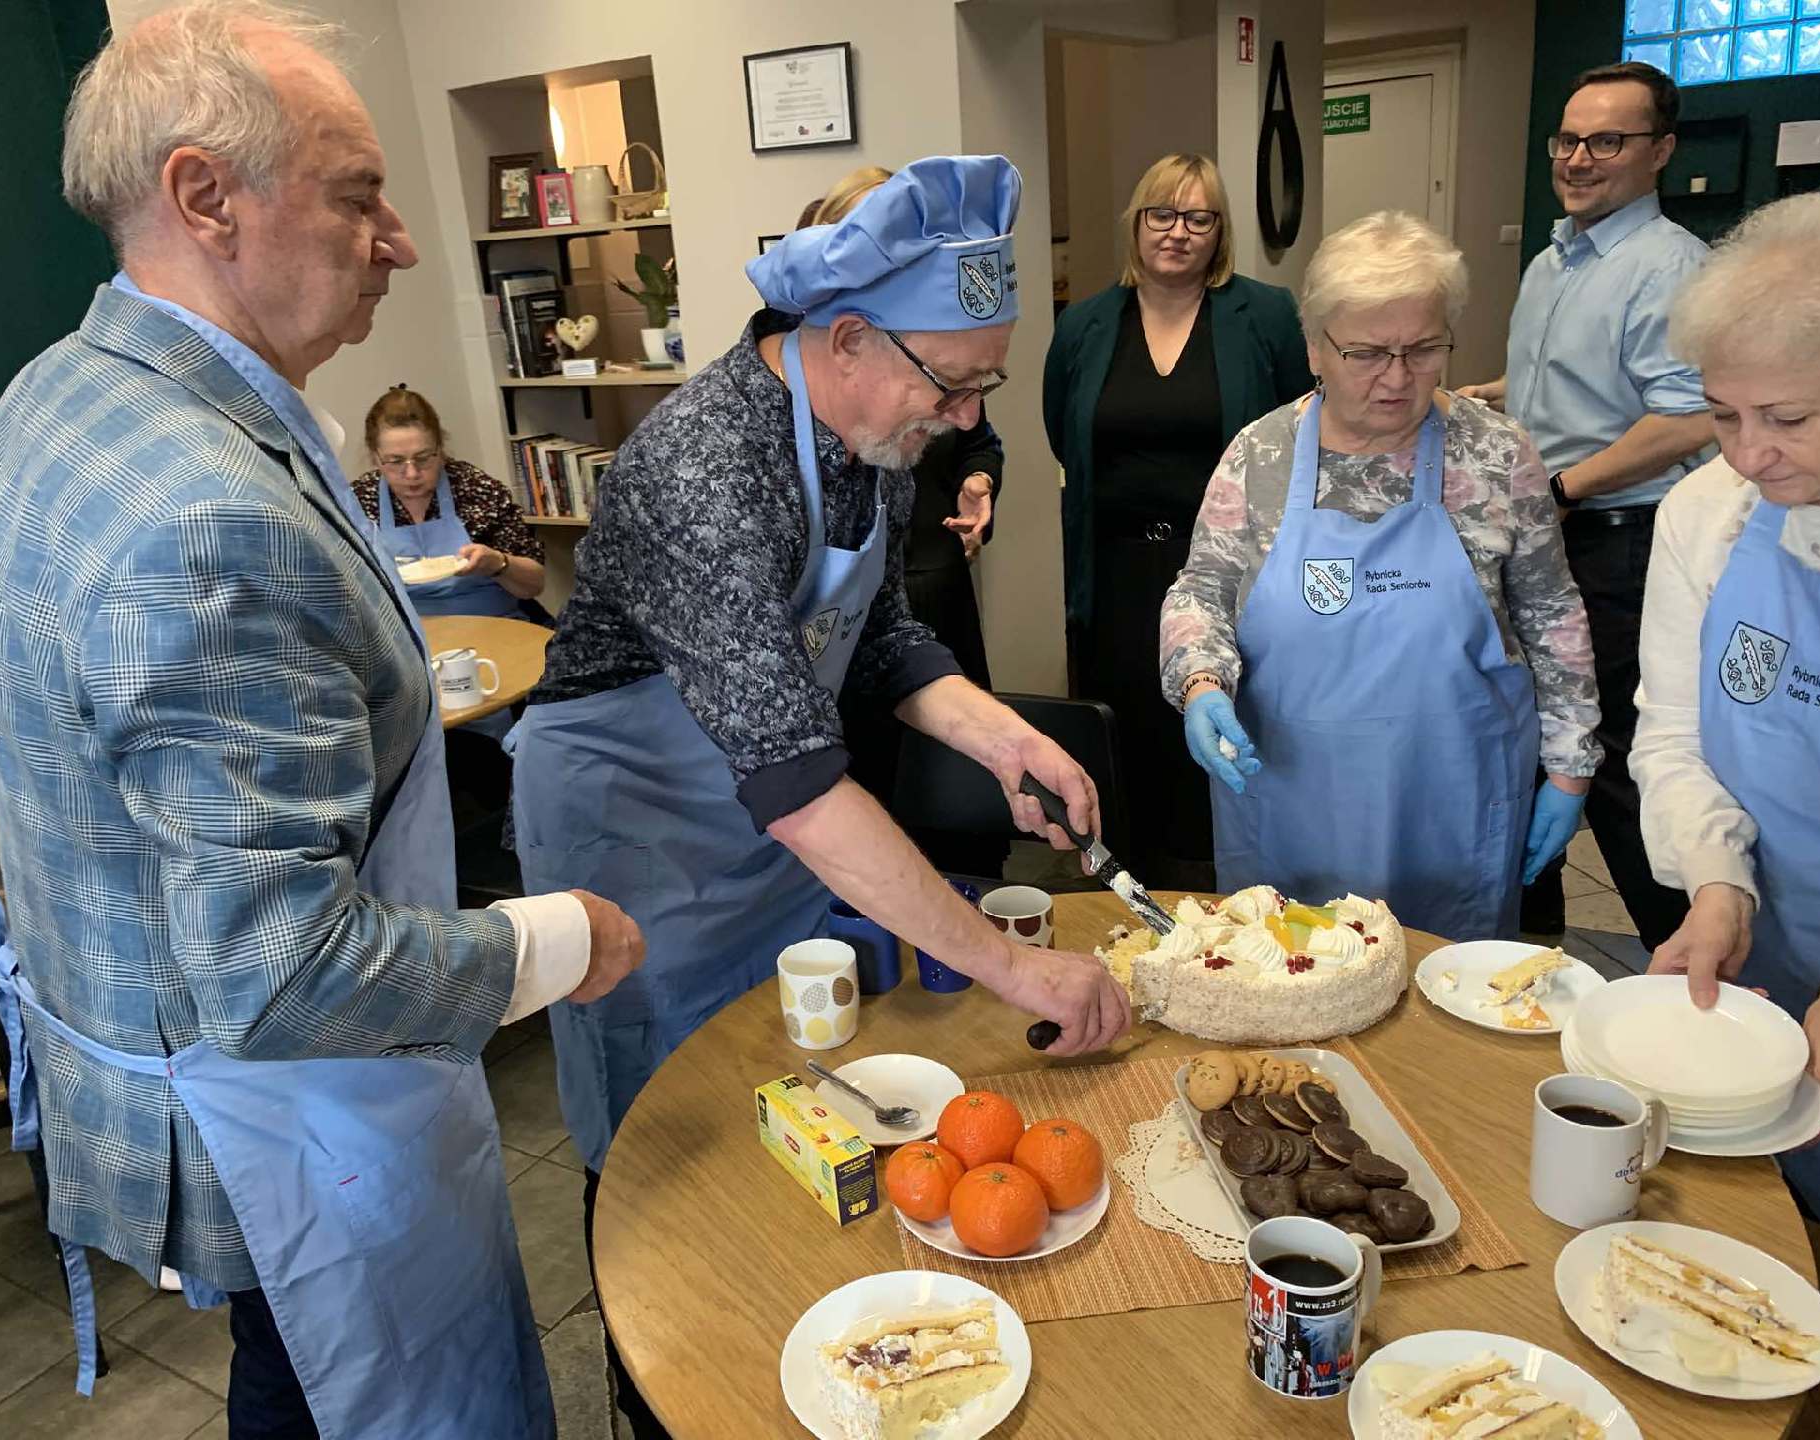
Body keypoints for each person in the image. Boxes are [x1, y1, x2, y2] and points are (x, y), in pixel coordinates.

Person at [0, 6, 641, 1436]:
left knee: (283, 1379)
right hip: (277, 1116)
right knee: (346, 1388)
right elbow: (279, 974)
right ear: (204, 195)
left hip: (143, 1041)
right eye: (357, 193)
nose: (396, 240)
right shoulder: (206, 515)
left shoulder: (57, 391)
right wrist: (557, 938)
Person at [511, 153, 1130, 1165]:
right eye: (955, 385)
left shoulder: (874, 437)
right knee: (668, 1138)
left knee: (794, 1081)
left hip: (769, 828)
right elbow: (797, 780)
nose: (968, 418)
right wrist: (1010, 971)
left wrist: (1002, 738)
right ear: (847, 341)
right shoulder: (702, 470)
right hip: (641, 839)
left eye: (989, 386)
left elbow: (877, 638)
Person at [1162, 212, 1602, 942]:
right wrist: (1200, 682)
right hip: (1292, 790)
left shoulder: (1495, 455)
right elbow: (1202, 589)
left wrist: (1571, 767)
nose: (1398, 378)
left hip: (1452, 795)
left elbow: (1552, 612)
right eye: (1367, 353)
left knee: (1439, 1016)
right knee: (1289, 980)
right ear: (1314, 348)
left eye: (1424, 349)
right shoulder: (1259, 455)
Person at [1631, 193, 1820, 1230]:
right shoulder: (1706, 517)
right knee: (1770, 1232)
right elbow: (1676, 732)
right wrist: (1719, 882)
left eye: (1789, 420)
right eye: (1723, 414)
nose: (1748, 455)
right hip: (1766, 950)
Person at [1458, 62, 1711, 951]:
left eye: (1608, 140)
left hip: (1618, 545)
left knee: (1604, 762)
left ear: (1661, 152)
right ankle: (1529, 959)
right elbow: (1553, 391)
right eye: (1569, 138)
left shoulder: (1669, 267)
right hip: (1550, 540)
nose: (1578, 157)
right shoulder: (1554, 257)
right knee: (1539, 747)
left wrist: (1562, 488)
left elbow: (1690, 415)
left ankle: (1689, 960)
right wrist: (1466, 398)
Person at [1047, 152, 1310, 889]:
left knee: (1220, 726)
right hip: (1119, 567)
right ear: (1136, 223)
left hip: (1231, 570)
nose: (1177, 232)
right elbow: (1061, 431)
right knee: (1128, 737)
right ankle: (1134, 886)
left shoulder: (1264, 315)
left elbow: (1298, 430)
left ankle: (1230, 883)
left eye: (1199, 217)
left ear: (1218, 232)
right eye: (1161, 214)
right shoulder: (1085, 325)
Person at [805, 169, 1008, 874]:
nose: (963, 412)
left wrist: (979, 481)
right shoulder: (735, 460)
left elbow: (980, 442)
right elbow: (789, 774)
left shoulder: (933, 385)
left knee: (951, 795)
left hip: (926, 591)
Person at [353, 384, 546, 620]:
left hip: (491, 623)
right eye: (395, 461)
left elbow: (534, 585)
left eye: (423, 458)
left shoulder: (476, 488)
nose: (412, 473)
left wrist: (499, 563)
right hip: (408, 639)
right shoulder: (359, 500)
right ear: (375, 457)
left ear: (440, 450)